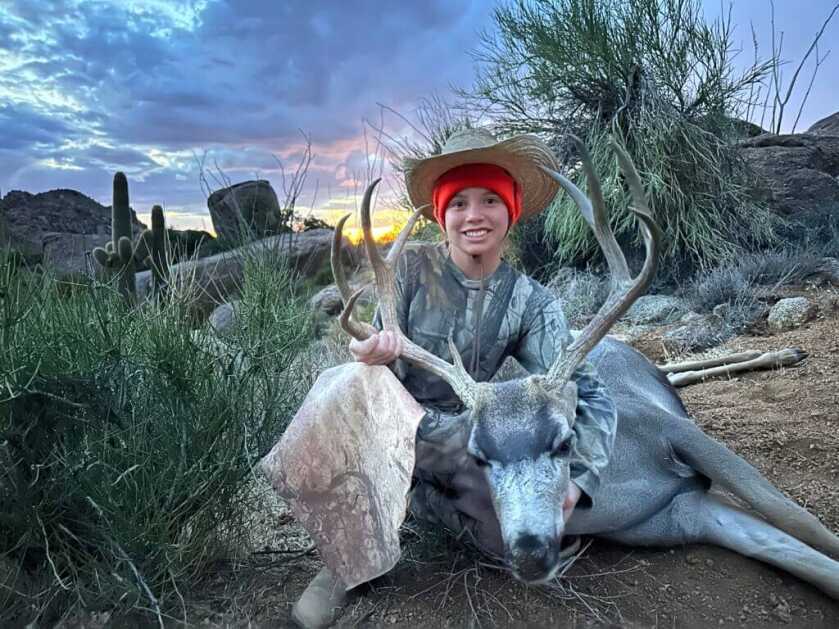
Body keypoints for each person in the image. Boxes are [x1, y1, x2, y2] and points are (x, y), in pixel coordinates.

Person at [290, 128, 617, 628]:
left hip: (469, 442)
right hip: (397, 429)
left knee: (503, 545)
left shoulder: (531, 301)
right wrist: (369, 352)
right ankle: (343, 564)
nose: (474, 215)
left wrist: (578, 483)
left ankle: (420, 507)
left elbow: (588, 391)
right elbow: (379, 350)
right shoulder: (410, 271)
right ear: (441, 216)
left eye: (490, 199)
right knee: (348, 383)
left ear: (511, 213)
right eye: (458, 202)